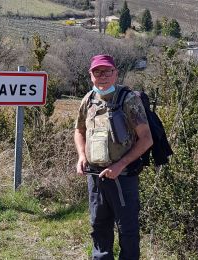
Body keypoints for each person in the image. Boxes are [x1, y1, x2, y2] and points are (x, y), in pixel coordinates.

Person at [74, 54, 153, 260]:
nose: (102, 76)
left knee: (127, 230)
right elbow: (79, 131)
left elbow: (146, 139)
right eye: (97, 72)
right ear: (91, 75)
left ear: (115, 73)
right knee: (98, 226)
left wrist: (120, 165)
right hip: (95, 176)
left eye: (107, 71)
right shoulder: (88, 100)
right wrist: (82, 156)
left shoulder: (128, 99)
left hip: (123, 177)